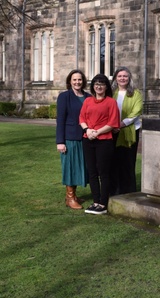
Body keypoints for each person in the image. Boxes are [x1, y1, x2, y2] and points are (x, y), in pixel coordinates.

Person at [79, 74, 120, 215]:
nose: (99, 86)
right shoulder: (88, 101)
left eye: (102, 84)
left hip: (104, 140)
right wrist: (88, 130)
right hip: (88, 139)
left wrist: (97, 132)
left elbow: (113, 122)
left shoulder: (111, 102)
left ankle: (103, 203)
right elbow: (82, 118)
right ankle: (95, 201)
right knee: (92, 172)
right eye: (96, 83)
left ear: (106, 87)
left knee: (103, 172)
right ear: (93, 86)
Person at [56, 69, 92, 210]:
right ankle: (69, 198)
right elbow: (61, 119)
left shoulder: (88, 97)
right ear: (70, 81)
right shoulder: (64, 97)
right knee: (70, 167)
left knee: (80, 166)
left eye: (79, 79)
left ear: (83, 81)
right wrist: (60, 141)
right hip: (69, 137)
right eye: (74, 80)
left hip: (85, 137)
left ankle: (74, 195)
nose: (77, 82)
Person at [110, 67, 143, 195]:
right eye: (119, 76)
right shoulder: (112, 93)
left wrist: (121, 124)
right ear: (115, 79)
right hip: (112, 131)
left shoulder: (136, 93)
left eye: (125, 76)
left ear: (129, 79)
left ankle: (128, 191)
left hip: (130, 131)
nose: (122, 78)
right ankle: (115, 190)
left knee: (128, 162)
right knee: (114, 162)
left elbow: (136, 111)